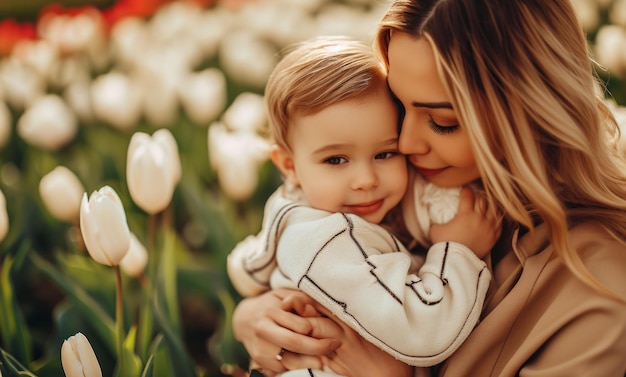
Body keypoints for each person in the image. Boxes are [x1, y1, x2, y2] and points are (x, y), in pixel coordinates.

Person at [231, 0, 626, 376]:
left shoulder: (598, 289)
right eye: (401, 108)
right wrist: (255, 314)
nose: (403, 144)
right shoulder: (409, 188)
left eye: (442, 121)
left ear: (530, 112)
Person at [227, 35, 499, 376]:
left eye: (385, 153)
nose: (366, 179)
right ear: (289, 166)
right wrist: (459, 249)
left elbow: (251, 264)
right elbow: (422, 331)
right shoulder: (330, 238)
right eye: (336, 159)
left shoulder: (297, 210)